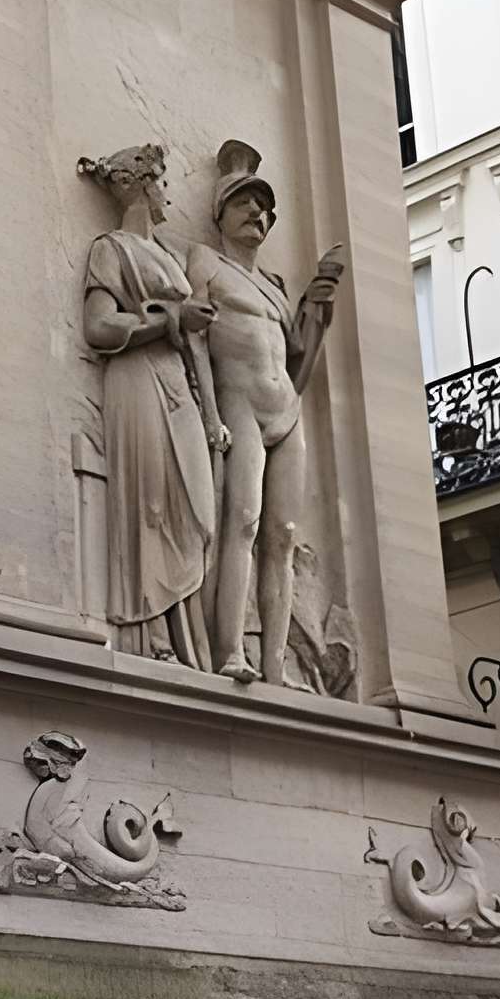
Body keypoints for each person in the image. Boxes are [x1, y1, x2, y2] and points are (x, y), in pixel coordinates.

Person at [186, 141, 341, 685]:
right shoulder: (204, 262)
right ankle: (229, 649)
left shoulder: (274, 287)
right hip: (240, 405)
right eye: (245, 204)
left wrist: (317, 303)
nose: (258, 214)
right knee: (243, 522)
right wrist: (209, 412)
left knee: (283, 533)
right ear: (221, 214)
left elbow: (298, 356)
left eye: (264, 209)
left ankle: (275, 666)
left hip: (286, 411)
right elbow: (193, 341)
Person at [77, 143, 227, 666]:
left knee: (196, 510)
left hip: (176, 382)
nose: (168, 195)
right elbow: (98, 325)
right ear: (142, 184)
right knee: (152, 503)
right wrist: (167, 322)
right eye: (162, 182)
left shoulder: (165, 255)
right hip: (137, 378)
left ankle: (190, 644)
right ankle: (156, 641)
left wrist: (211, 414)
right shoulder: (112, 249)